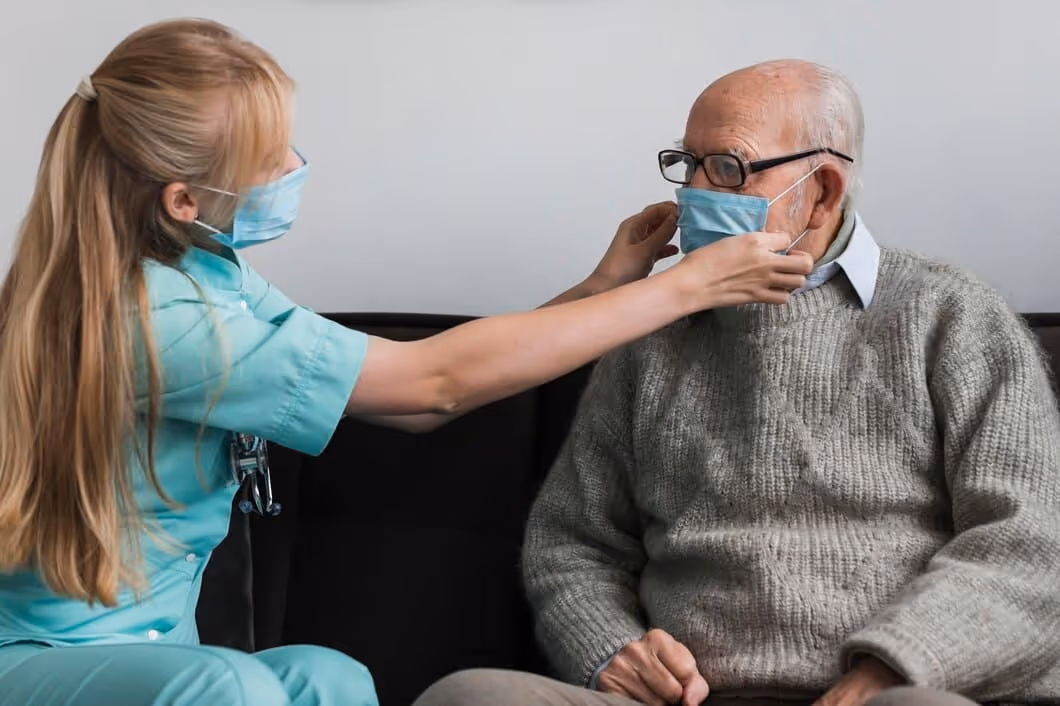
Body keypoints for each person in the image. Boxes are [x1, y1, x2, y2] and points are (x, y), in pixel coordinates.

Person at [0, 20, 817, 706]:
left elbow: (422, 386)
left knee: (330, 678)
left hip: (158, 659)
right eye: (269, 157)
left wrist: (603, 287)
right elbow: (435, 384)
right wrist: (687, 287)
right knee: (231, 687)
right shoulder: (151, 319)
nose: (292, 167)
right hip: (38, 662)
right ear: (184, 200)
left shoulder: (212, 278)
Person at [412, 60, 1060, 706]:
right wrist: (611, 650)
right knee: (468, 696)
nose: (694, 190)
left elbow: (1030, 541)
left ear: (823, 190)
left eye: (727, 167)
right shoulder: (650, 329)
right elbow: (572, 542)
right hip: (688, 700)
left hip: (892, 691)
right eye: (687, 163)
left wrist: (889, 671)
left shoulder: (950, 313)